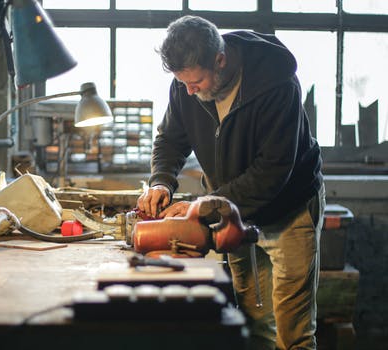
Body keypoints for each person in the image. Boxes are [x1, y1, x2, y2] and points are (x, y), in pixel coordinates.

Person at [137, 15, 326, 350]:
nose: (189, 91)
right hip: (235, 213)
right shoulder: (186, 86)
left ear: (220, 60)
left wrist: (206, 205)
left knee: (292, 336)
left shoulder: (276, 84)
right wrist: (161, 182)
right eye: (183, 84)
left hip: (290, 211)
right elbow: (169, 139)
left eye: (195, 82)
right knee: (253, 323)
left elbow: (272, 172)